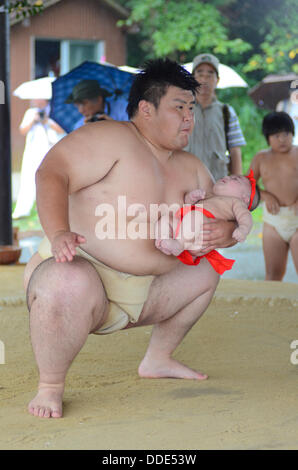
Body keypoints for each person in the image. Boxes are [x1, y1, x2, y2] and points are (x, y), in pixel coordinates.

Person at [24, 58, 239, 419]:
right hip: (81, 275)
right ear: (146, 109)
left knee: (207, 271)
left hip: (148, 292)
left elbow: (226, 215)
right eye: (178, 107)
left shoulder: (193, 166)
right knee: (66, 279)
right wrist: (59, 231)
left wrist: (224, 232)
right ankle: (50, 385)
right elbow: (51, 173)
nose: (189, 116)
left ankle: (158, 358)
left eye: (191, 107)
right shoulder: (110, 137)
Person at [155, 173, 259, 273]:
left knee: (195, 216)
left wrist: (243, 229)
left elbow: (245, 217)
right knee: (166, 219)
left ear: (245, 198)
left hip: (200, 234)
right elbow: (187, 205)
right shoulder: (209, 195)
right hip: (184, 227)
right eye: (230, 175)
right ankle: (164, 239)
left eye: (235, 179)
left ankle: (179, 245)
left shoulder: (236, 203)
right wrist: (191, 198)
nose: (227, 176)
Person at [249, 111, 298, 281]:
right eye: (276, 135)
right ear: (267, 137)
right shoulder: (261, 158)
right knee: (273, 274)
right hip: (273, 221)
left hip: (297, 218)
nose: (282, 139)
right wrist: (265, 195)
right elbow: (248, 184)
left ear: (293, 133)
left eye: (286, 134)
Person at [184, 53, 246, 180]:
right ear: (192, 79)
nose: (204, 79)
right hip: (185, 180)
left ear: (217, 80)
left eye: (210, 74)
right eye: (200, 74)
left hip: (218, 182)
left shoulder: (227, 112)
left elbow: (235, 150)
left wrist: (237, 181)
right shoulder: (182, 109)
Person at [12, 99, 65, 219]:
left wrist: (47, 120)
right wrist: (34, 120)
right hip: (33, 149)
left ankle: (51, 208)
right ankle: (22, 211)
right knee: (28, 179)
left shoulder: (54, 111)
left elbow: (61, 129)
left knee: (52, 179)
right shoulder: (31, 112)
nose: (34, 100)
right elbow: (22, 130)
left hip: (51, 148)